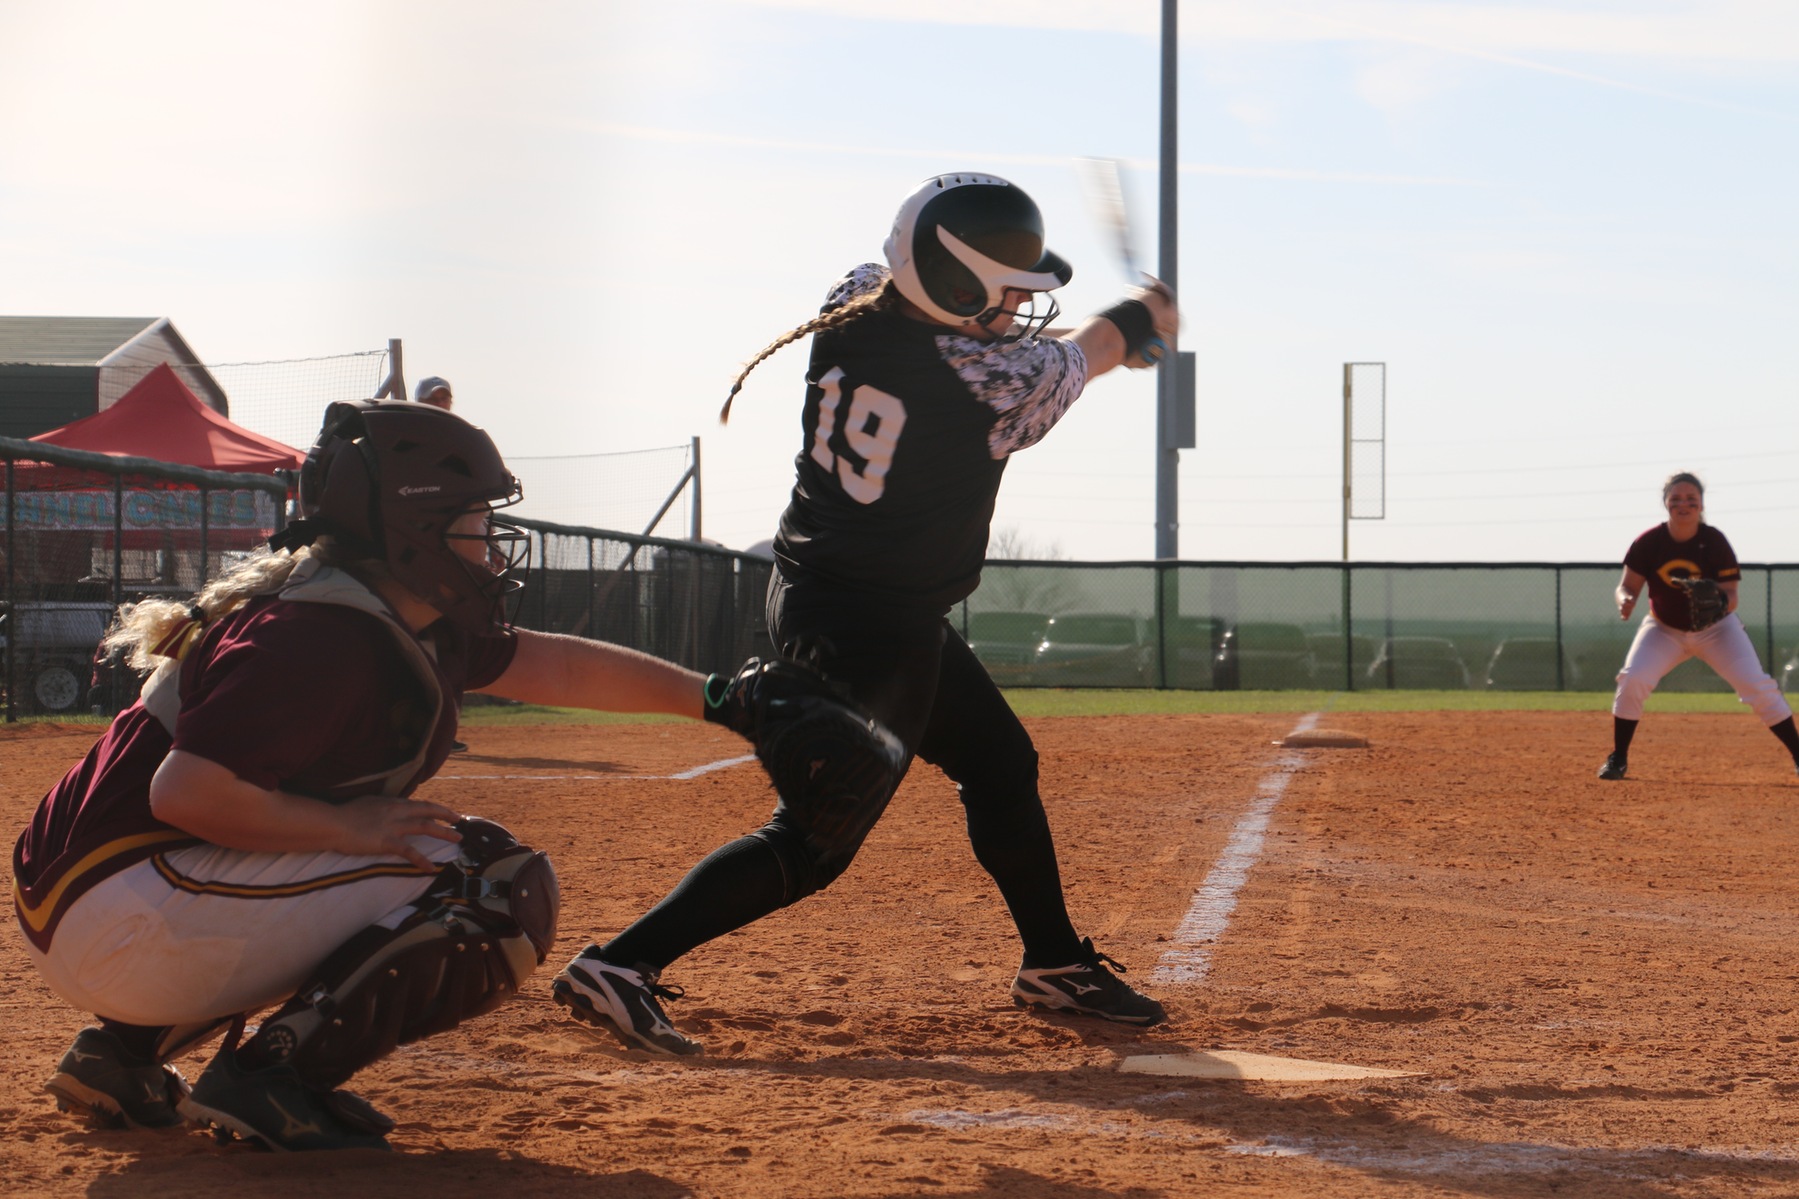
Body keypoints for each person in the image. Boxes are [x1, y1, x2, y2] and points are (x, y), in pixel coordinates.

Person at [10, 400, 789, 1150]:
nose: (492, 542)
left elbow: (557, 664)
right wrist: (345, 828)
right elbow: (186, 792)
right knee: (490, 883)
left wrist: (720, 699)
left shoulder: (375, 609)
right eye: (477, 522)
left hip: (103, 892)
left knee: (399, 871)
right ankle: (271, 1076)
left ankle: (123, 1051)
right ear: (413, 529)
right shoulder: (321, 637)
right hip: (122, 903)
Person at [552, 171, 1181, 1055]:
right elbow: (1094, 348)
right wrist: (1145, 321)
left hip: (837, 591)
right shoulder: (992, 379)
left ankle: (1051, 961)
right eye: (1000, 292)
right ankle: (622, 962)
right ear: (952, 283)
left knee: (999, 761)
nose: (1015, 309)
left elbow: (1077, 344)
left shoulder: (855, 295)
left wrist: (1127, 331)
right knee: (814, 840)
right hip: (866, 629)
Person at [1598, 471, 1799, 780]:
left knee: (1756, 686)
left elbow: (1732, 595)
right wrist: (1624, 599)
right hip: (1663, 628)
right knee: (1633, 678)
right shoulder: (1650, 542)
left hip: (1717, 629)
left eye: (1691, 499)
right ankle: (1618, 758)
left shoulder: (1713, 541)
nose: (1684, 504)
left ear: (1701, 504)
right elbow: (1626, 586)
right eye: (1676, 498)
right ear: (1665, 503)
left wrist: (1720, 602)